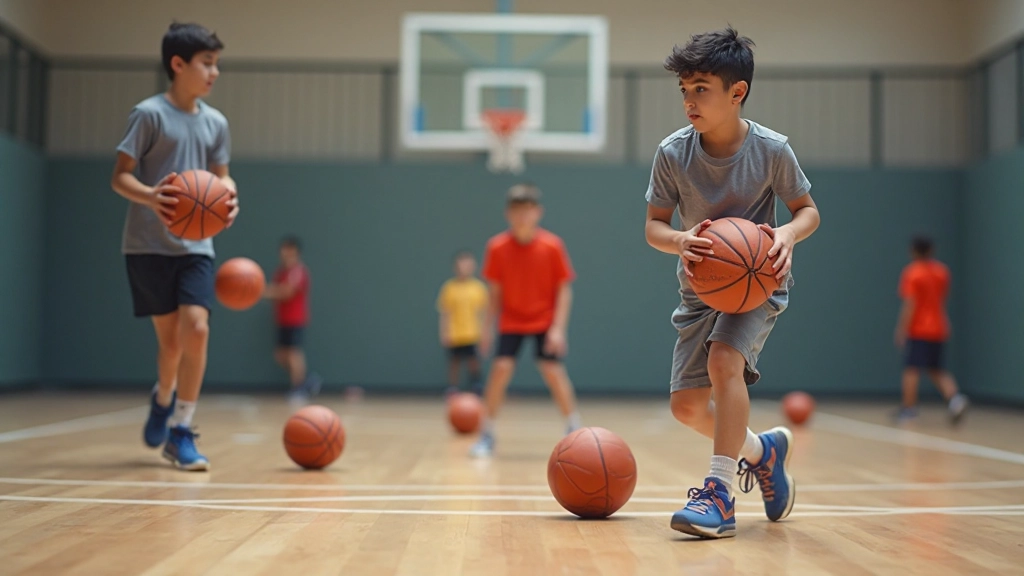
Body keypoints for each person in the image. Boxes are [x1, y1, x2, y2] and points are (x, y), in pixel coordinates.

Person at [644, 27, 821, 538]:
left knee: (726, 361)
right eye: (684, 90)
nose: (689, 100)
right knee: (687, 407)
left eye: (701, 88)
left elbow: (808, 211)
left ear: (736, 92)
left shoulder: (771, 149)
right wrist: (679, 240)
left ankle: (719, 496)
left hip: (757, 279)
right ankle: (761, 452)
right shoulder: (673, 154)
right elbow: (654, 227)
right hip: (700, 287)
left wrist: (787, 233)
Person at [111, 22, 238, 471]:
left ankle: (181, 429)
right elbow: (119, 176)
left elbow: (221, 176)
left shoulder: (216, 123)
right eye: (207, 62)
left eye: (217, 63)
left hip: (196, 247)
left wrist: (228, 197)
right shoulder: (148, 114)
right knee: (170, 347)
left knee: (197, 329)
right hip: (147, 245)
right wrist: (150, 196)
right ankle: (162, 398)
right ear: (178, 64)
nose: (214, 72)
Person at [469, 184, 582, 458]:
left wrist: (558, 328)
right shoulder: (496, 247)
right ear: (509, 213)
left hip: (543, 319)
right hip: (512, 320)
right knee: (500, 370)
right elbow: (494, 294)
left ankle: (574, 431)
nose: (522, 216)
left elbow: (564, 289)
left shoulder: (552, 246)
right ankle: (487, 434)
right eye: (517, 210)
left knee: (554, 372)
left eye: (527, 210)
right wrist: (486, 330)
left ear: (538, 213)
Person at [893, 236, 969, 424]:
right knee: (937, 369)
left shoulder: (913, 273)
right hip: (940, 327)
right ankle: (955, 399)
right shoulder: (942, 272)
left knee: (911, 368)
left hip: (919, 329)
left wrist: (902, 329)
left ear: (913, 251)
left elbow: (910, 304)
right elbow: (943, 296)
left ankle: (909, 409)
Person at [265, 236, 321, 403]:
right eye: (283, 249)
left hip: (295, 319)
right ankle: (308, 381)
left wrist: (259, 291)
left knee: (293, 353)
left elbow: (286, 292)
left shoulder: (298, 271)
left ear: (296, 252)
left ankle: (299, 388)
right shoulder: (280, 272)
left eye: (289, 249)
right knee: (280, 355)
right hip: (282, 319)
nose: (285, 253)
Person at [436, 251, 487, 397]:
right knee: (454, 362)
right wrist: (444, 333)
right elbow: (445, 313)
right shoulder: (449, 288)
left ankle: (477, 386)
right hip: (455, 333)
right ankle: (452, 388)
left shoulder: (478, 288)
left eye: (468, 264)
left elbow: (483, 313)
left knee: (474, 361)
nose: (464, 267)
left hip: (473, 333)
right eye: (461, 264)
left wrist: (485, 333)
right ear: (456, 267)